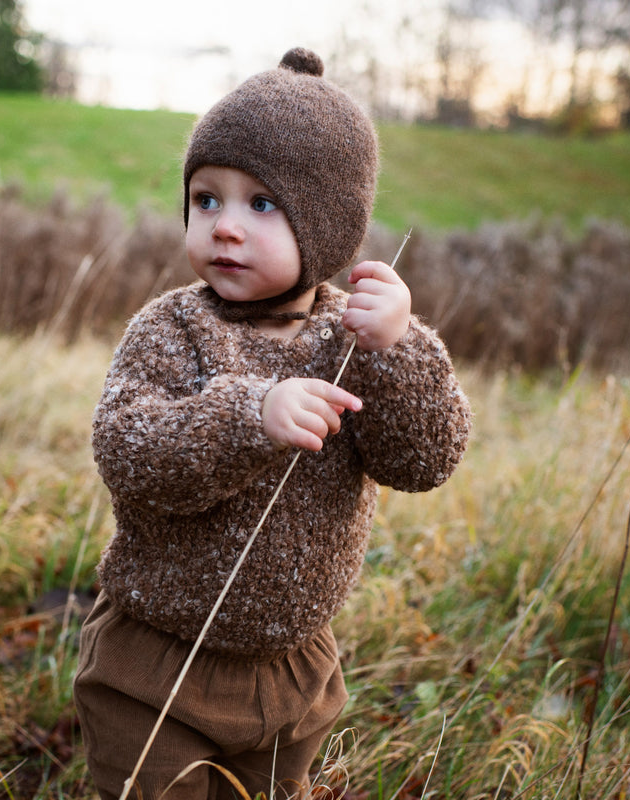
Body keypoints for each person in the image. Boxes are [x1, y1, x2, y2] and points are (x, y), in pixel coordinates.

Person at [74, 47, 472, 800]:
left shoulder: (353, 342)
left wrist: (400, 349)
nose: (224, 227)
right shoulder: (172, 329)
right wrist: (248, 415)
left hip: (293, 674)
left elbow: (423, 461)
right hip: (155, 663)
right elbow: (127, 448)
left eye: (261, 204)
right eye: (206, 199)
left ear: (328, 226)